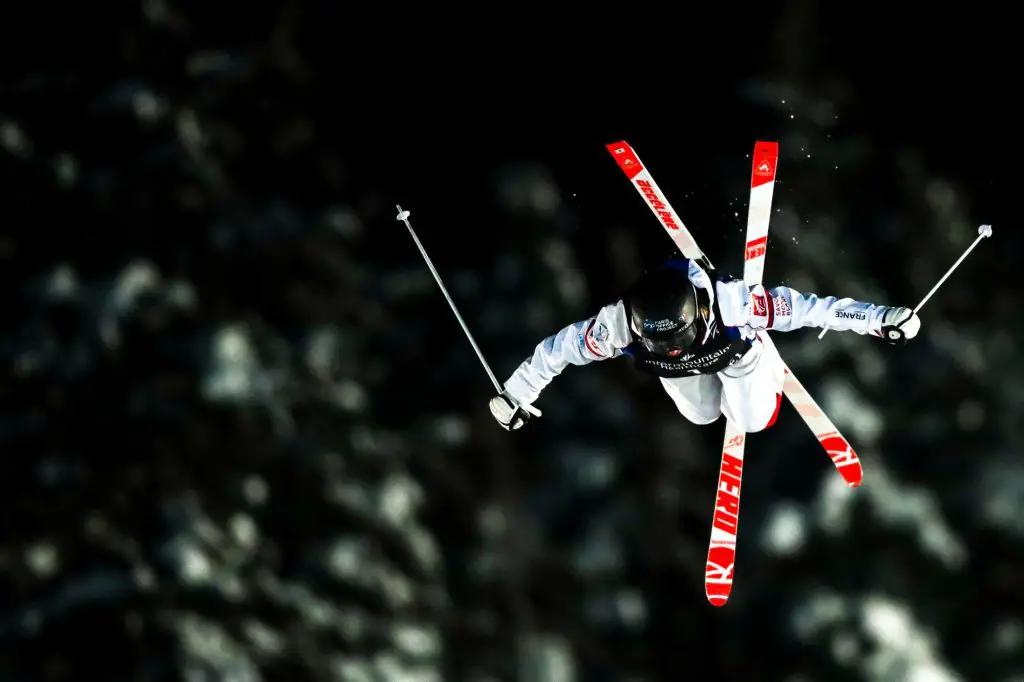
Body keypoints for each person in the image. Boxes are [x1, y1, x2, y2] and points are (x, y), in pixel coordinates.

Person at [489, 257, 920, 432]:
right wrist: (517, 394)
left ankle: (758, 352)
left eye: (679, 336)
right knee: (702, 417)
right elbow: (558, 350)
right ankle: (716, 380)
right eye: (661, 343)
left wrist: (881, 321)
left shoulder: (736, 303)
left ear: (699, 312)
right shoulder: (617, 326)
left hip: (736, 354)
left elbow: (814, 309)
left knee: (752, 421)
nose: (674, 346)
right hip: (683, 376)